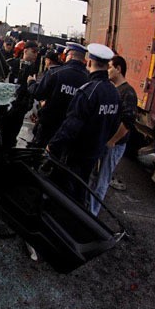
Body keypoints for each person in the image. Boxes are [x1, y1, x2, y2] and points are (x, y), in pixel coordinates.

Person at [47, 43, 121, 205]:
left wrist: (53, 146)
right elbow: (114, 125)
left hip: (76, 155)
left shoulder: (88, 91)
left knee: (65, 195)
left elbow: (71, 127)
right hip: (94, 154)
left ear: (89, 62)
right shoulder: (114, 92)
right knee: (80, 191)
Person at [88, 54, 138, 215]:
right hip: (105, 141)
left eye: (109, 67)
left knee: (102, 180)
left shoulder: (128, 92)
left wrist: (113, 141)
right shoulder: (114, 89)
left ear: (118, 69)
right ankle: (87, 208)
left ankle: (92, 214)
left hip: (114, 145)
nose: (107, 71)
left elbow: (128, 123)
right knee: (94, 178)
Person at [27, 42, 89, 148]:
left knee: (37, 156)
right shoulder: (89, 79)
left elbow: (38, 94)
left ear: (69, 55)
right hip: (70, 132)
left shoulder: (55, 73)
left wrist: (31, 83)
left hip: (48, 126)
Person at [0, 40, 39, 148]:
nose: (36, 54)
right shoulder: (13, 64)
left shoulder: (33, 68)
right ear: (25, 51)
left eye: (37, 52)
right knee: (1, 135)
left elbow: (31, 91)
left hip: (21, 109)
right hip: (8, 107)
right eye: (33, 51)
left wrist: (30, 107)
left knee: (12, 138)